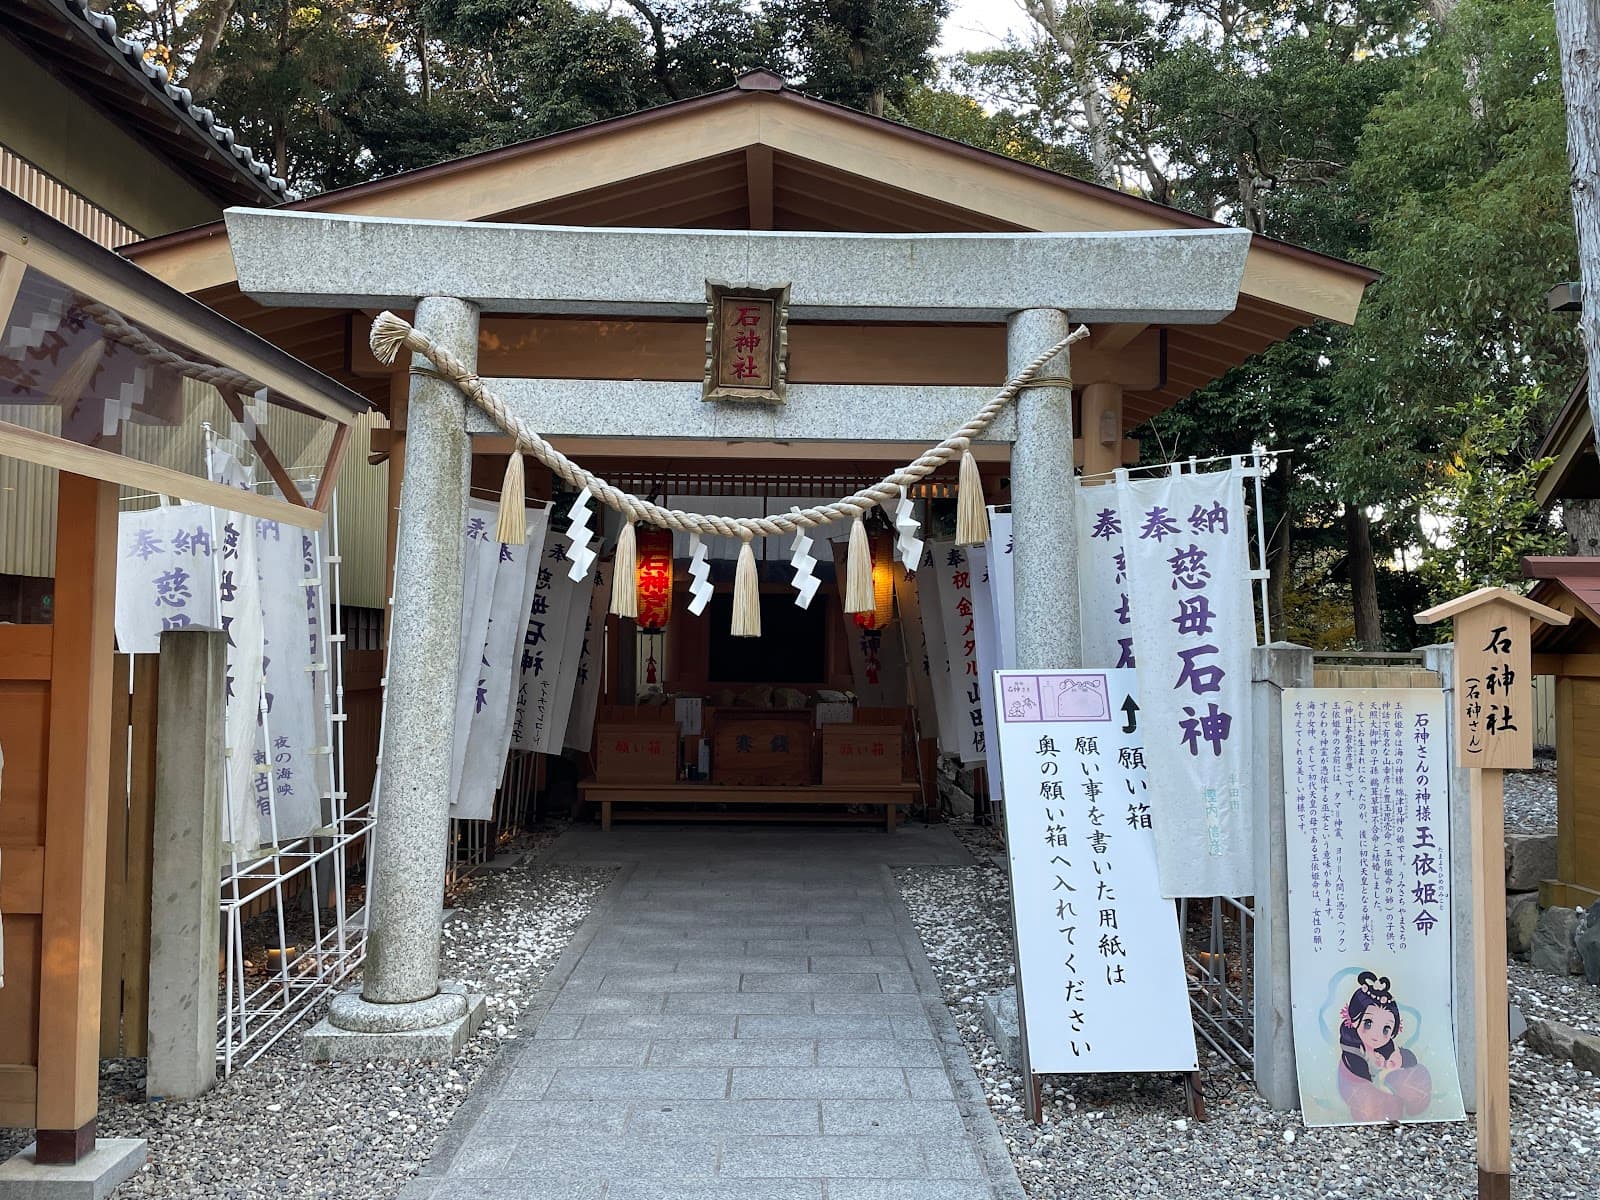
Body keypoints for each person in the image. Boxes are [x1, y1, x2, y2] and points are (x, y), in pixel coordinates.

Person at [1336, 971, 1433, 1122]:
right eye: (1368, 1024)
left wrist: (1399, 1059)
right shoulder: (1352, 1051)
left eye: (1386, 1029)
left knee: (1415, 1075)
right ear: (1354, 1020)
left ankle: (1409, 1110)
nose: (1376, 1035)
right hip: (1361, 1092)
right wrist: (1379, 1073)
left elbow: (1410, 1061)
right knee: (1370, 1105)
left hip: (1388, 1094)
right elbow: (1360, 1079)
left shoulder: (1388, 1048)